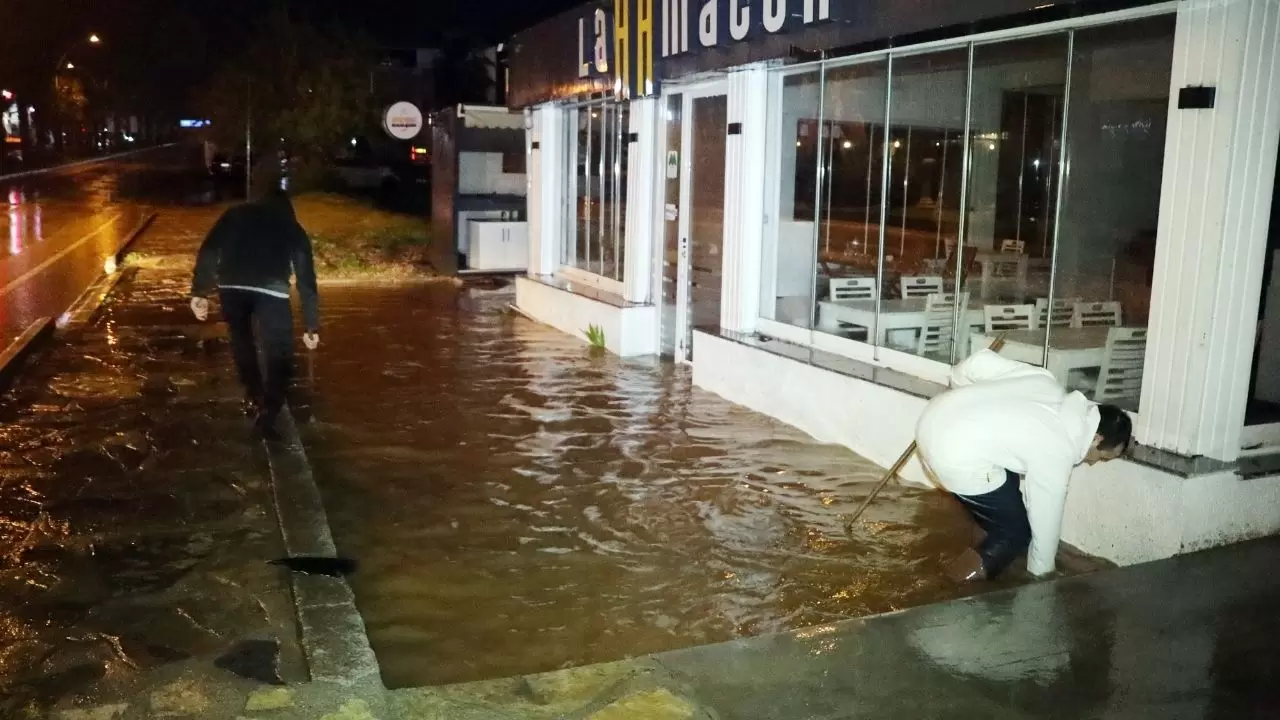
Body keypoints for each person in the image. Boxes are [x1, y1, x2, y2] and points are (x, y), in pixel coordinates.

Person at [915, 348, 1132, 582]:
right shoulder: (1059, 450)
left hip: (933, 415)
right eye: (1101, 457)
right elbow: (1045, 526)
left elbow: (977, 362)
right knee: (1016, 533)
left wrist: (960, 391)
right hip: (952, 454)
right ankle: (949, 586)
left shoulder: (1045, 381)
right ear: (1097, 439)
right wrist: (1042, 579)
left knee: (1008, 484)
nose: (1093, 463)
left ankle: (981, 544)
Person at [190, 186, 319, 440]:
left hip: (231, 286)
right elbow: (306, 279)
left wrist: (200, 291)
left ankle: (254, 394)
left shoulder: (235, 214)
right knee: (279, 351)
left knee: (242, 341)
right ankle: (269, 410)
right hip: (272, 291)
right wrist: (311, 325)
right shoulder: (291, 226)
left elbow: (209, 250)